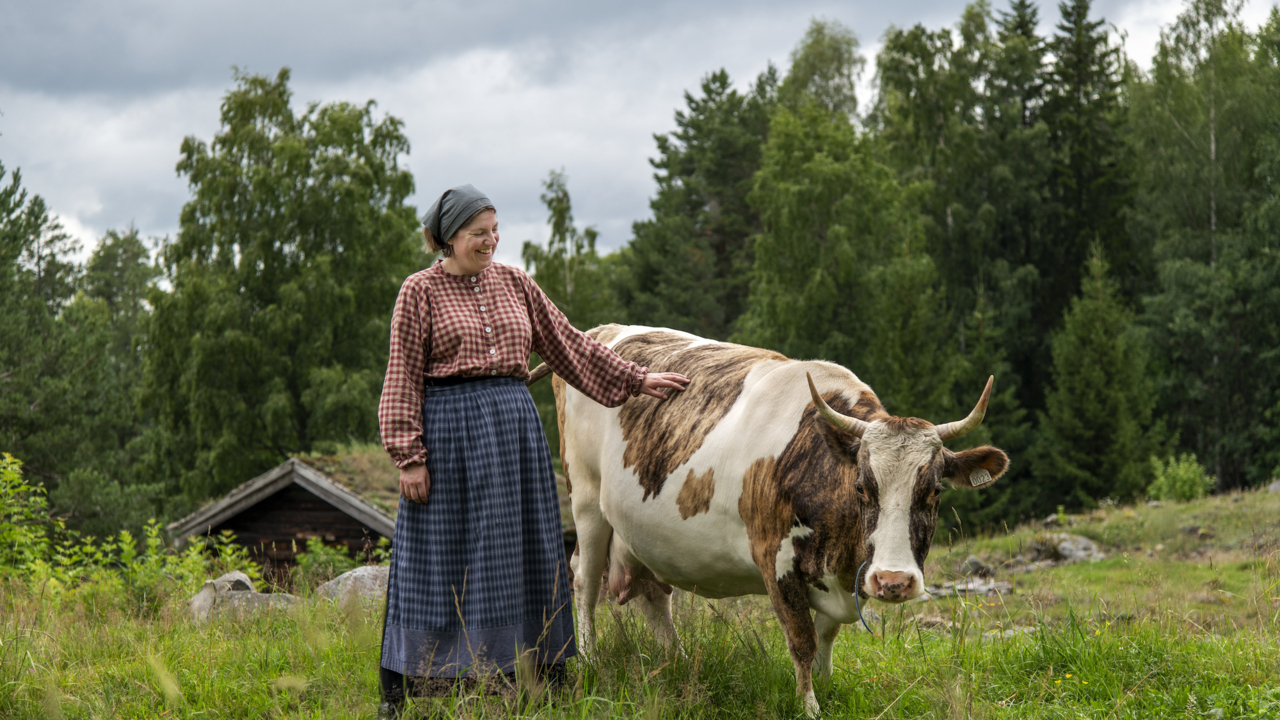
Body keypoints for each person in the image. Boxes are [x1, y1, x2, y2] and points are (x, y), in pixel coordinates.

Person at [376, 184, 689, 717]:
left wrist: (636, 378)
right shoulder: (418, 292)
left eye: (495, 230)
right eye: (479, 234)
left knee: (521, 549)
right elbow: (402, 376)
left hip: (513, 430)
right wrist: (409, 456)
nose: (491, 241)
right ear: (449, 238)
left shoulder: (517, 283)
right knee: (441, 554)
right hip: (449, 434)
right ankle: (421, 679)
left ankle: (533, 668)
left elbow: (570, 346)